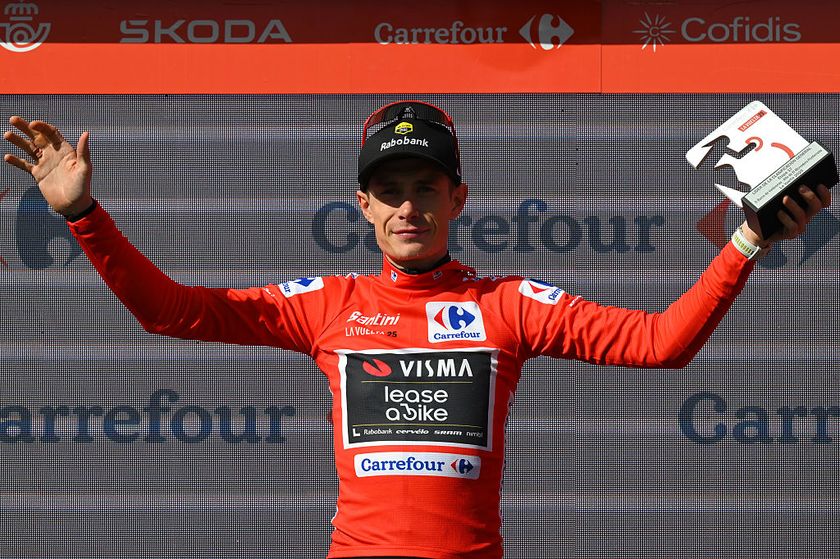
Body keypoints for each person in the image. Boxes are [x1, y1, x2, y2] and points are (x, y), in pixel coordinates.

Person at [3, 101, 831, 559]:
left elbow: (661, 342)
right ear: (361, 205)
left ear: (458, 199)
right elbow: (171, 310)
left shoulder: (508, 302)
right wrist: (82, 215)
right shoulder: (324, 301)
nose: (409, 206)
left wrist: (749, 237)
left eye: (426, 186)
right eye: (389, 189)